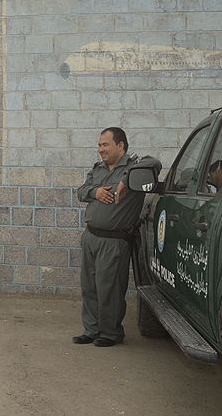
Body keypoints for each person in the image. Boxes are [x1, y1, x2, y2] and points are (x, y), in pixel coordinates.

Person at [73, 127, 161, 347]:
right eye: (99, 145)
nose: (100, 149)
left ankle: (111, 333)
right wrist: (95, 192)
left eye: (105, 145)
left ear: (120, 146)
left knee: (109, 288)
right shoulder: (98, 169)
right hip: (91, 236)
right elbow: (82, 190)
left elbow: (155, 163)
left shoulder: (134, 167)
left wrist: (127, 179)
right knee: (90, 287)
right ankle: (91, 330)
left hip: (114, 241)